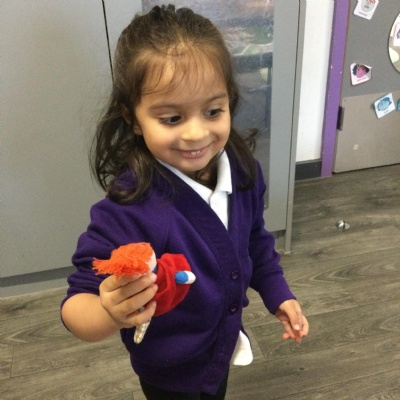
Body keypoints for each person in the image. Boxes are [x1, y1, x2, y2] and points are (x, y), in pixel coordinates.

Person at [61, 4, 309, 399]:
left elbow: (255, 241)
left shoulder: (243, 173)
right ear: (133, 118)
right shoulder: (131, 209)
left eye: (213, 111)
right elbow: (77, 304)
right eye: (172, 118)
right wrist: (108, 311)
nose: (196, 134)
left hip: (221, 350)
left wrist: (279, 293)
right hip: (168, 375)